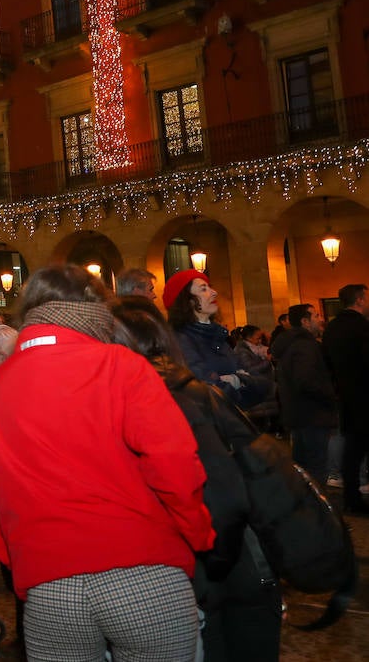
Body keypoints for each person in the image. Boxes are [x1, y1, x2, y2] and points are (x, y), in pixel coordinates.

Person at [0, 265, 213, 662]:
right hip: (144, 573)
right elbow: (176, 465)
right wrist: (197, 536)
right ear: (97, 309)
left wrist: (28, 556)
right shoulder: (122, 366)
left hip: (50, 590)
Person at [112, 296, 281, 662]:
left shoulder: (163, 397)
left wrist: (208, 564)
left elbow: (220, 494)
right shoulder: (190, 389)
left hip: (220, 568)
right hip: (218, 565)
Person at [166, 269, 269, 409]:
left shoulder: (216, 336)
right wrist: (239, 383)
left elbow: (255, 378)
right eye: (203, 289)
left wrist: (236, 379)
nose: (214, 292)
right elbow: (205, 388)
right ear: (188, 301)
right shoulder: (180, 340)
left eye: (209, 287)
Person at [274, 303, 337, 486]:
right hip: (312, 414)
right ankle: (316, 509)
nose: (321, 319)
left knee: (302, 466)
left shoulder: (291, 343)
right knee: (316, 468)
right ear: (305, 321)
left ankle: (304, 506)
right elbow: (307, 381)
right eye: (316, 316)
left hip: (298, 414)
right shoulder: (305, 346)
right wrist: (329, 395)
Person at [323, 283, 369, 513]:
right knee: (356, 448)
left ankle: (351, 497)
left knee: (353, 449)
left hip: (347, 397)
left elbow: (327, 364)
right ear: (359, 300)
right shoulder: (361, 327)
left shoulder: (332, 328)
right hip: (365, 395)